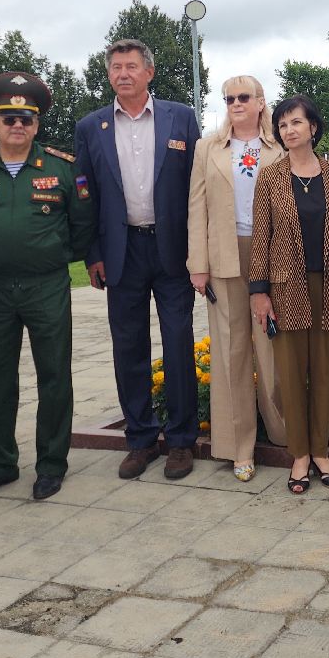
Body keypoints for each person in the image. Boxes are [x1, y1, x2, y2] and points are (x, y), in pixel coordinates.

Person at [0, 72, 94, 503]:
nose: (17, 125)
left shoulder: (62, 168)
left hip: (46, 285)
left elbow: (82, 225)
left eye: (26, 119)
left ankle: (52, 464)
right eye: (8, 117)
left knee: (54, 375)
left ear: (37, 125)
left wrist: (50, 253)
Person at [74, 39, 202, 480]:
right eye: (115, 67)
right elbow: (84, 195)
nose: (123, 73)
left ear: (149, 72)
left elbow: (197, 187)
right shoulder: (91, 127)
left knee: (179, 343)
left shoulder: (180, 117)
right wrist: (92, 253)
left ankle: (182, 441)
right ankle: (141, 439)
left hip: (173, 251)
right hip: (120, 251)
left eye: (131, 66)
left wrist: (198, 251)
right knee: (128, 348)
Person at [187, 75, 288, 481]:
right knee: (231, 352)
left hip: (270, 255)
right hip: (224, 255)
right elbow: (197, 208)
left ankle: (282, 434)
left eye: (244, 97)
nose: (235, 103)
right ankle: (238, 446)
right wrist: (198, 263)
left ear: (262, 102)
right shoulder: (206, 148)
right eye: (229, 98)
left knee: (271, 345)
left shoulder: (279, 147)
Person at [247, 96, 329, 493]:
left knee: (323, 371)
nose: (289, 130)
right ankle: (300, 455)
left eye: (296, 123)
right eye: (282, 124)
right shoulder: (270, 178)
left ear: (313, 128)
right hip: (285, 285)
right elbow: (260, 238)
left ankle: (321, 451)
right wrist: (259, 292)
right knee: (290, 373)